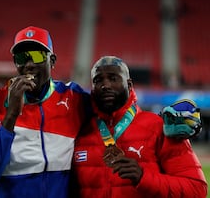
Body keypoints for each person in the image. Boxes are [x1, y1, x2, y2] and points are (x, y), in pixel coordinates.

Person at [0, 26, 90, 198]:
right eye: (22, 57)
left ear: (53, 60)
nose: (29, 65)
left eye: (37, 56)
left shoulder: (74, 97)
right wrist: (10, 115)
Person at [70, 56, 208, 197]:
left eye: (113, 78)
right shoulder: (79, 131)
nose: (106, 85)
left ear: (129, 85)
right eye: (98, 80)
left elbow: (196, 189)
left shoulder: (159, 128)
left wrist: (143, 177)